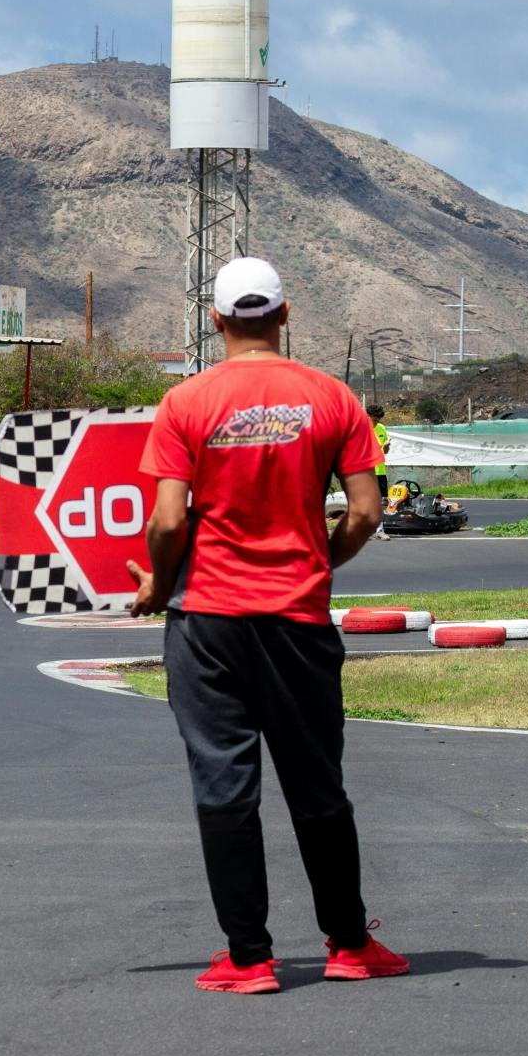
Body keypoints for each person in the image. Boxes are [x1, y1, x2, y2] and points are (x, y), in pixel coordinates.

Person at [126, 256, 409, 995]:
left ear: (216, 321)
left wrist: (158, 580)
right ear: (285, 316)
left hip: (208, 621)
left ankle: (248, 957)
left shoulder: (185, 402)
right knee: (317, 784)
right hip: (297, 619)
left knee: (225, 784)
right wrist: (319, 559)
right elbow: (369, 512)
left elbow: (166, 517)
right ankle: (349, 942)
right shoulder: (334, 398)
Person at [368, 405, 392, 540]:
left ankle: (379, 530)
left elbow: (385, 451)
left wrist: (387, 447)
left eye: (378, 420)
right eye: (374, 420)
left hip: (380, 470)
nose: (376, 422)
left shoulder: (382, 428)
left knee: (380, 502)